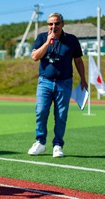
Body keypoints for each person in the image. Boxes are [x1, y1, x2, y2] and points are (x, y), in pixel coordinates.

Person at [28, 13, 88, 158]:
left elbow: (78, 61)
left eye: (56, 23)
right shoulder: (42, 37)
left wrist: (83, 79)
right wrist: (48, 42)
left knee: (61, 115)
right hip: (45, 82)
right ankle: (40, 143)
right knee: (41, 112)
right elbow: (35, 57)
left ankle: (57, 145)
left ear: (62, 24)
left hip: (64, 82)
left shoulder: (72, 40)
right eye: (50, 24)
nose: (53, 27)